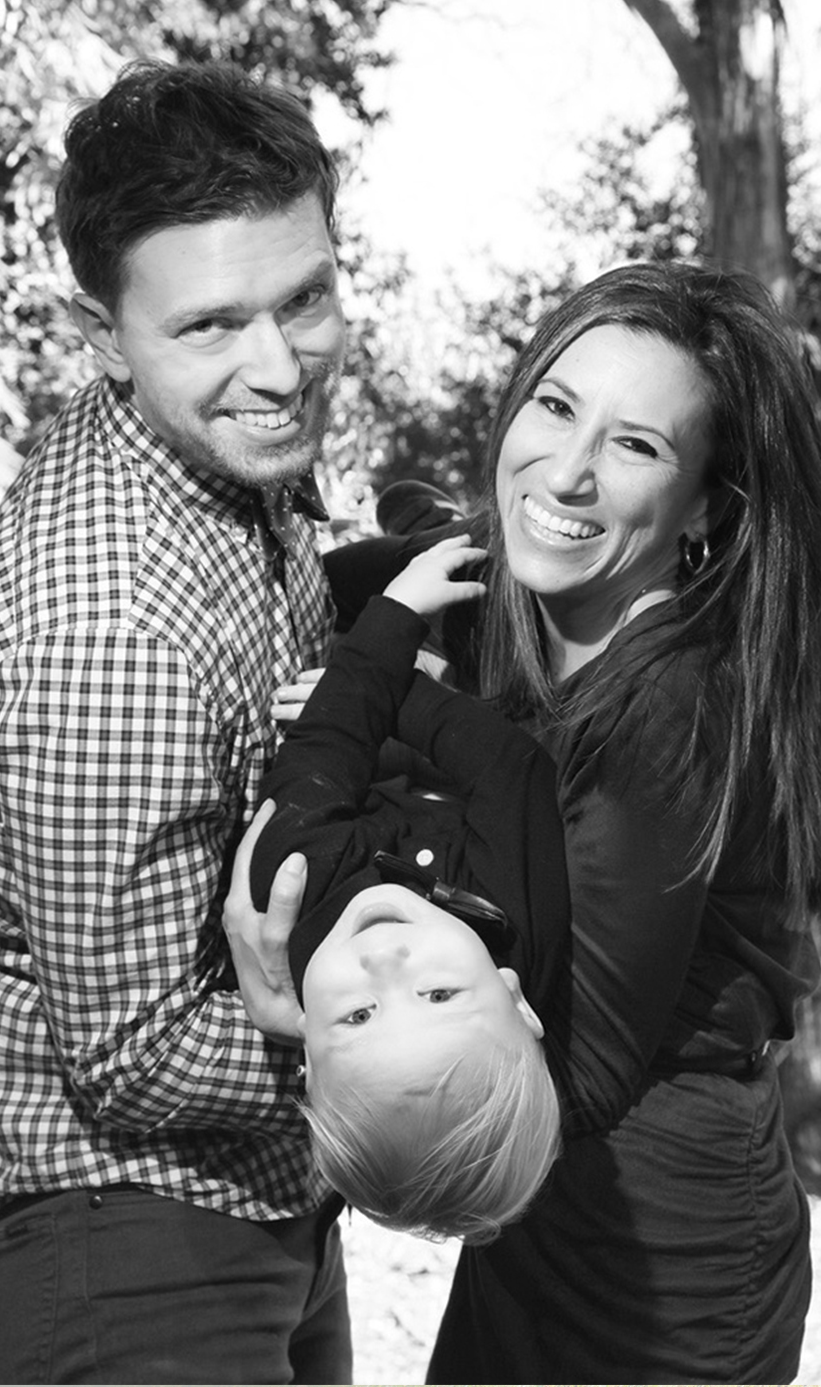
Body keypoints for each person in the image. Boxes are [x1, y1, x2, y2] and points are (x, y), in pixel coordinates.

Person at [239, 262, 821, 1382]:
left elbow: (584, 1065)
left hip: (654, 1247)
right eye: (556, 407)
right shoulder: (520, 597)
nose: (565, 472)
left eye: (637, 445)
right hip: (539, 1211)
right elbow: (344, 584)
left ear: (706, 503)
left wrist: (322, 1020)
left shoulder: (672, 704)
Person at [0, 60, 352, 1384]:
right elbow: (131, 1053)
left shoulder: (214, 469)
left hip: (263, 1195)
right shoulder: (113, 622)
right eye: (211, 326)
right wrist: (420, 1030)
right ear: (104, 333)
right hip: (122, 1243)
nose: (279, 365)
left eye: (305, 297)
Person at [233, 529, 569, 1243]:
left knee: (354, 590)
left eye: (357, 1015)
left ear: (306, 1056)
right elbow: (516, 772)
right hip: (461, 715)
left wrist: (389, 630)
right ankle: (436, 522)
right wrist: (408, 692)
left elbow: (325, 751)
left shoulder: (290, 882)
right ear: (517, 998)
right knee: (462, 562)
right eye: (439, 995)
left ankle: (415, 541)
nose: (385, 965)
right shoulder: (515, 924)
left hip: (365, 733)